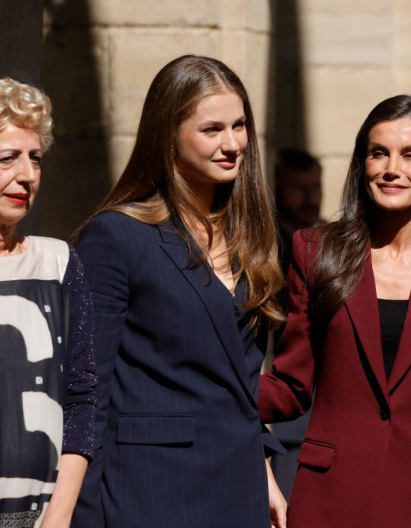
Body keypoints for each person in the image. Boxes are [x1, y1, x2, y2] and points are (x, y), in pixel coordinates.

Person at [258, 94, 411, 528]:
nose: (392, 169)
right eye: (378, 153)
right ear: (363, 163)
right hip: (332, 497)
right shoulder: (316, 253)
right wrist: (212, 392)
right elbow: (292, 384)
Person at [71, 55, 288, 528]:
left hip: (239, 489)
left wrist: (264, 464)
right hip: (151, 493)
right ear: (168, 134)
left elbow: (238, 382)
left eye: (239, 126)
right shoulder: (116, 236)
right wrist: (85, 517)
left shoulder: (252, 236)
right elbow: (87, 392)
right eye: (212, 130)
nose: (232, 144)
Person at [0, 78, 96, 528]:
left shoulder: (60, 261)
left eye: (35, 158)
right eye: (7, 159)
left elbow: (82, 395)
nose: (28, 175)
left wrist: (59, 515)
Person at [269, 147, 323, 499]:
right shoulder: (269, 246)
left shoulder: (330, 244)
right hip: (286, 421)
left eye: (315, 187)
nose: (309, 198)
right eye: (298, 188)